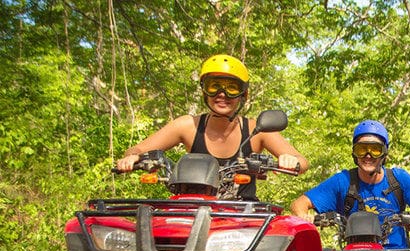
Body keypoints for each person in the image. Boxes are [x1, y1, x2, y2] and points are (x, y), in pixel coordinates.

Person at [114, 54, 308, 200]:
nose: (221, 94)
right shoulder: (188, 126)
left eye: (231, 88)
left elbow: (303, 162)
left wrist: (289, 159)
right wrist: (133, 157)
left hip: (245, 218)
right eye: (214, 86)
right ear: (204, 91)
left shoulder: (256, 130)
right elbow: (138, 149)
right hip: (192, 211)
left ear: (243, 95)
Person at [289, 120, 410, 249]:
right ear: (354, 153)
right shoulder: (342, 181)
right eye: (362, 149)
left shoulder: (399, 178)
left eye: (375, 149)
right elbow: (299, 204)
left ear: (384, 153)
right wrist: (304, 216)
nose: (368, 156)